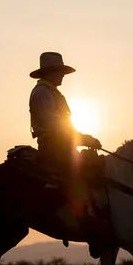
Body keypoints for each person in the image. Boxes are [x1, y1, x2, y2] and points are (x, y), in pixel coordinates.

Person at [29, 52, 102, 181]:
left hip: (62, 146)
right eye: (59, 71)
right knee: (78, 177)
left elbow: (65, 125)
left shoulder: (52, 92)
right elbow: (55, 126)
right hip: (54, 147)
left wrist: (83, 138)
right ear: (50, 72)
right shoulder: (43, 92)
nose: (62, 75)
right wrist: (83, 139)